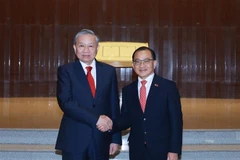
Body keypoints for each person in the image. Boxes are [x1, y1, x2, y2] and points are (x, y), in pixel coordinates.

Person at [99, 46, 183, 160]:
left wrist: (174, 150)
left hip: (162, 149)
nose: (142, 65)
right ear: (133, 66)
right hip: (137, 150)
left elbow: (176, 121)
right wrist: (110, 124)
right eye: (137, 62)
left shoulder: (168, 87)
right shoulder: (128, 90)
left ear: (155, 63)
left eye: (146, 61)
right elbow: (126, 118)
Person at [55, 29, 121, 160]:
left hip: (101, 138)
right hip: (74, 139)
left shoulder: (109, 71)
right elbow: (66, 103)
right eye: (81, 45)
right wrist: (96, 119)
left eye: (91, 46)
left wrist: (115, 138)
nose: (86, 50)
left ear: (97, 48)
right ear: (75, 48)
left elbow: (114, 105)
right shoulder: (66, 71)